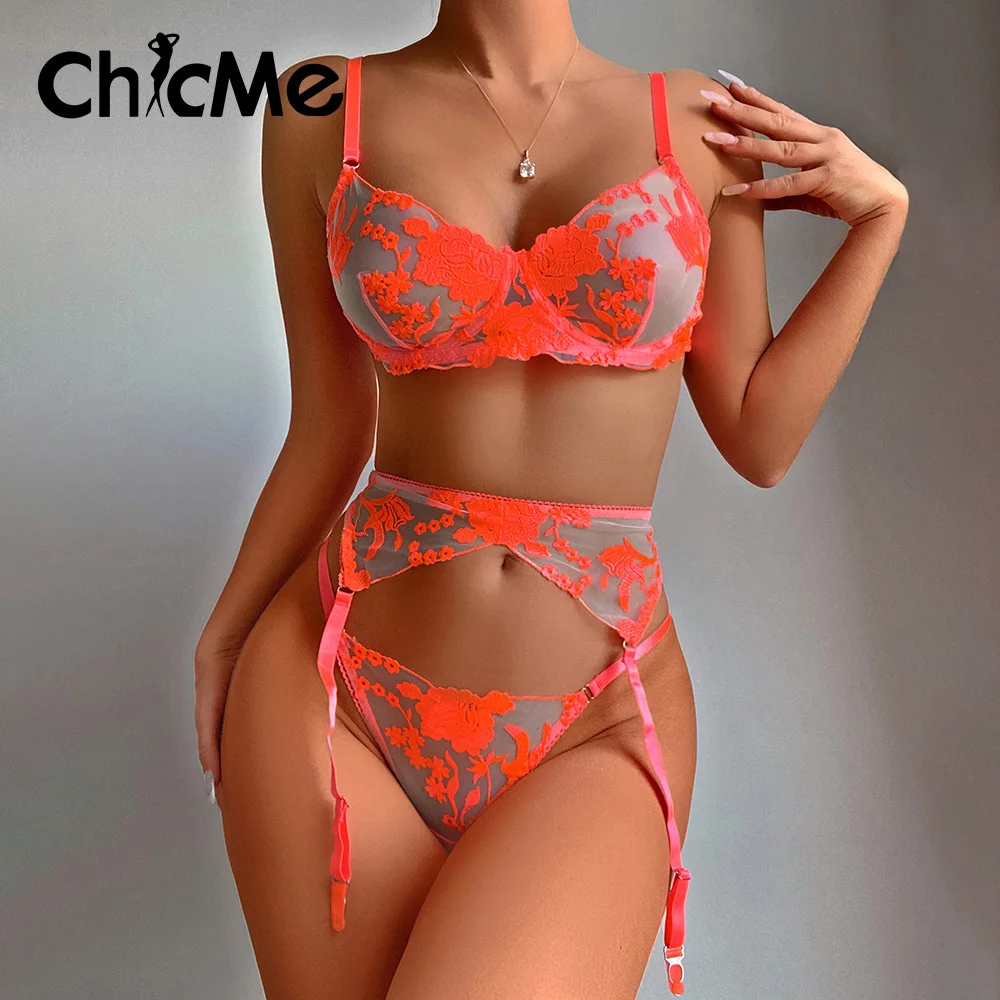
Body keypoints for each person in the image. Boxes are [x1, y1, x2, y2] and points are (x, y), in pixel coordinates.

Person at [194, 2, 909, 997]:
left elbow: (760, 436)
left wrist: (879, 222)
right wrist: (226, 636)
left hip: (595, 718)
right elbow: (327, 427)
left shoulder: (696, 124)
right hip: (332, 688)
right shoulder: (318, 107)